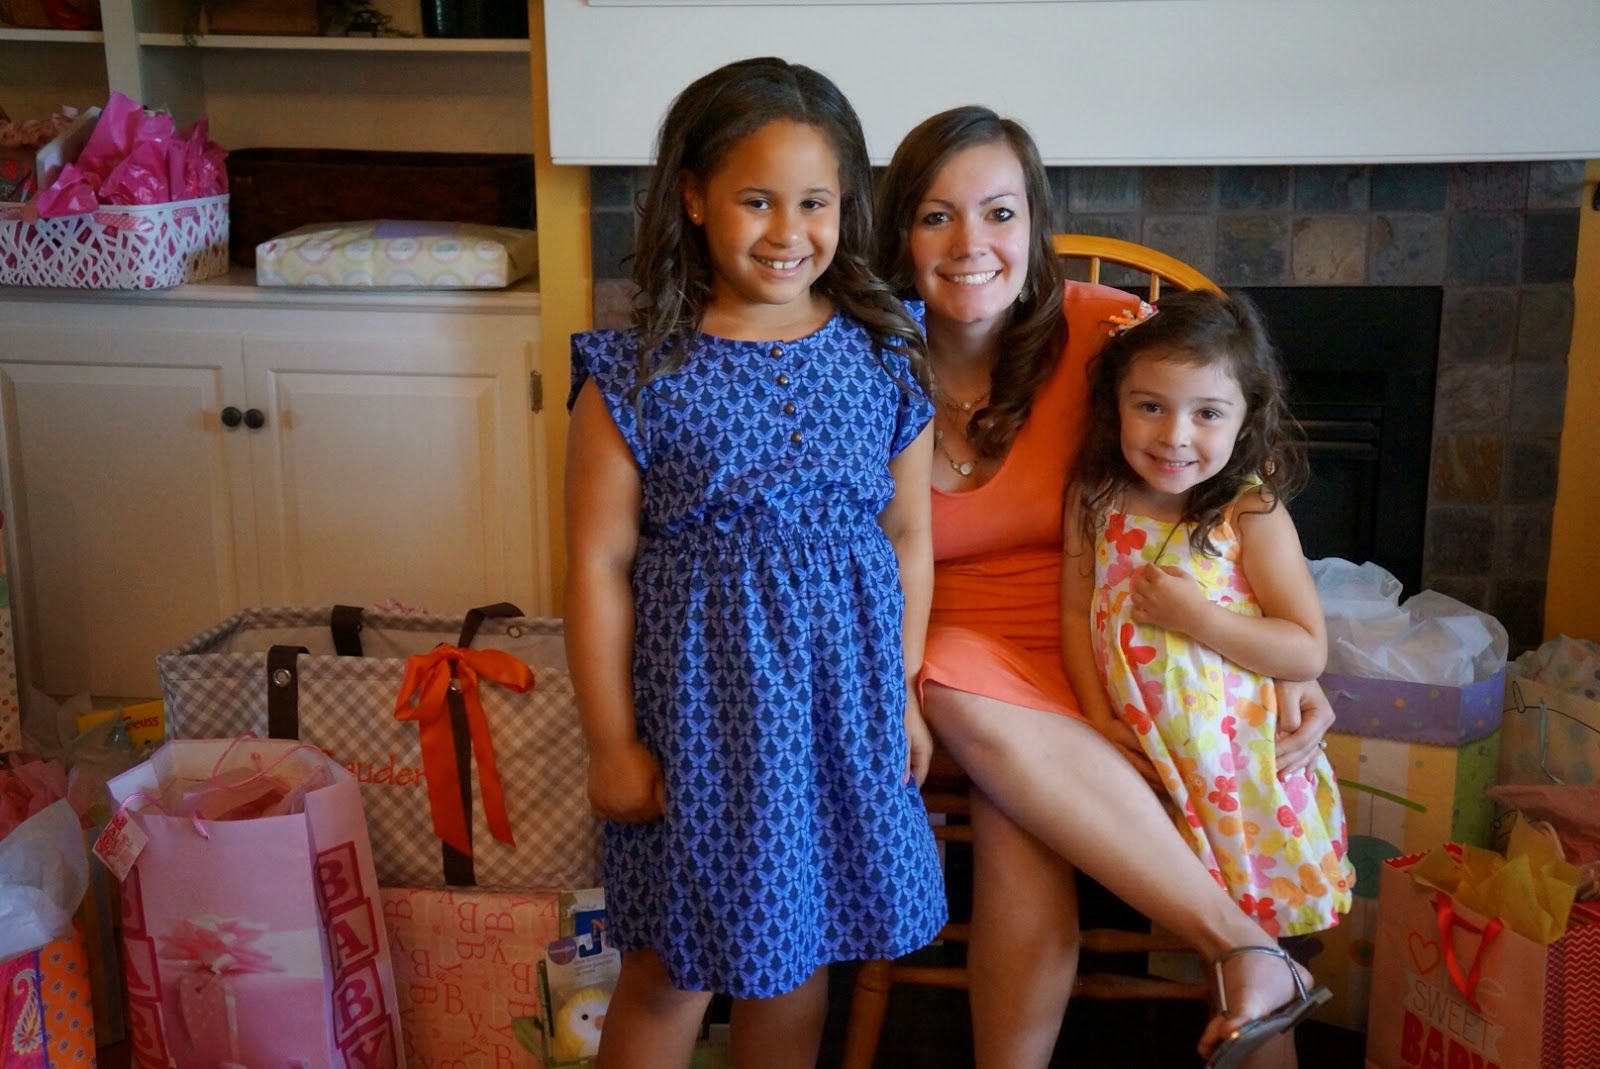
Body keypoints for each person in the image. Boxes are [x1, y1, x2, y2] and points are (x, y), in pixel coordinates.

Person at [874, 105, 1335, 1069]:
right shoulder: (865, 359)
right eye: (935, 216)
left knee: (1016, 814)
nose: (970, 245)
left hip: (1121, 660)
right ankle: (1242, 948)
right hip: (941, 671)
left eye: (1000, 213)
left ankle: (1247, 960)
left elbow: (1221, 461)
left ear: (1036, 223)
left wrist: (1286, 658)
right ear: (899, 233)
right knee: (954, 679)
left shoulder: (1109, 335)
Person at [563, 57, 946, 1069]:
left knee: (800, 949)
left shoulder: (886, 351)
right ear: (694, 198)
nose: (788, 230)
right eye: (756, 200)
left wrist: (902, 692)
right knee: (671, 964)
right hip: (703, 720)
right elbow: (598, 564)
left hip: (840, 710)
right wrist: (611, 741)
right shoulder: (633, 373)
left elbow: (908, 536)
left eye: (815, 202)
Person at [1063, 289, 1354, 943]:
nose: (1175, 435)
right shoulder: (1095, 496)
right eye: (1150, 406)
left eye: (1207, 413)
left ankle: (1267, 984)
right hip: (1143, 754)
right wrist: (1097, 714)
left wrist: (1198, 619)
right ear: (1115, 405)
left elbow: (1305, 648)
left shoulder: (1250, 513)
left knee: (1260, 922)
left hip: (1237, 766)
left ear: (1245, 421)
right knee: (1156, 918)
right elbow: (1076, 610)